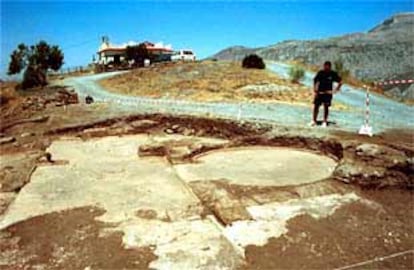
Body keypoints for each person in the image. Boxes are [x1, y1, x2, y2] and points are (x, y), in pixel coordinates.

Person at [310, 61, 342, 127]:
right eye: (325, 66)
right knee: (316, 106)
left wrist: (336, 90)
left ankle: (324, 121)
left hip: (328, 93)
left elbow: (340, 81)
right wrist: (315, 90)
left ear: (330, 67)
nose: (326, 68)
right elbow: (315, 80)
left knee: (326, 107)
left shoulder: (333, 74)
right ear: (324, 66)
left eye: (328, 66)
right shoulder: (321, 73)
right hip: (319, 92)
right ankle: (314, 120)